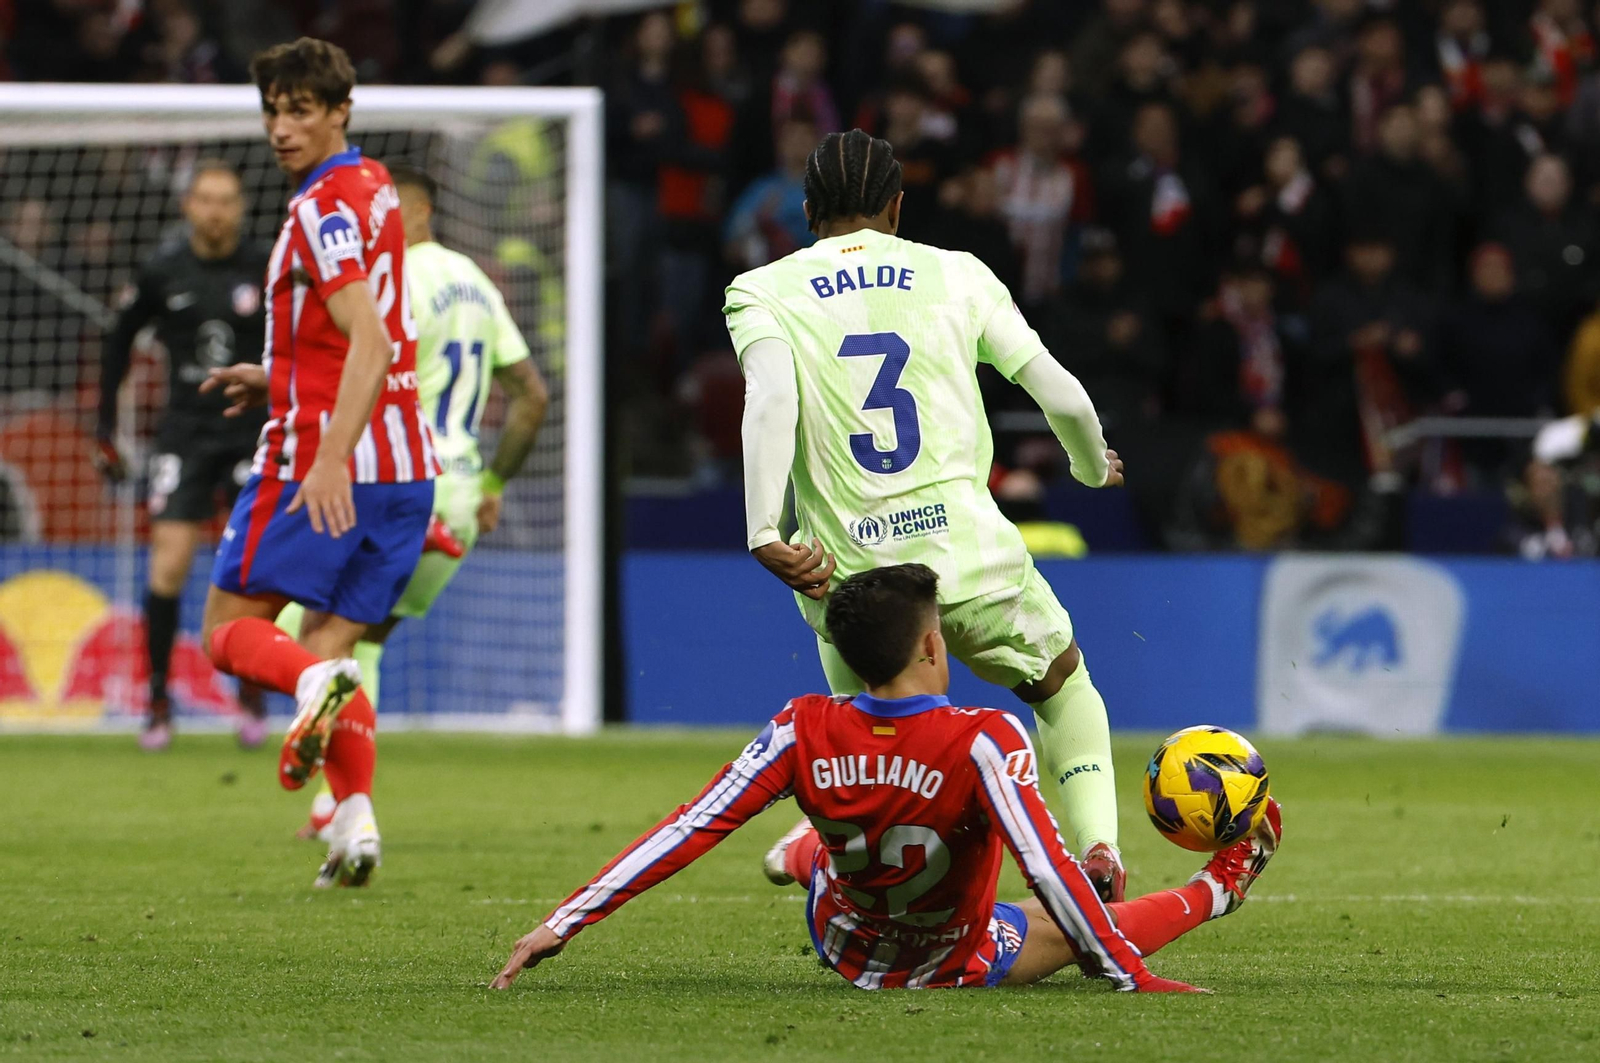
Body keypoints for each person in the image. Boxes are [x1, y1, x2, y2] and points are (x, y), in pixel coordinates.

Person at [491, 565, 1282, 992]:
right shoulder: (983, 738)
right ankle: (1218, 887)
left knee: (853, 839)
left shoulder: (800, 726)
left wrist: (564, 920)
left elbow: (690, 825)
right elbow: (1048, 868)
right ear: (933, 647)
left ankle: (804, 849)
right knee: (1075, 923)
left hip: (842, 938)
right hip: (945, 958)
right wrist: (1130, 975)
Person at [724, 129, 1131, 902]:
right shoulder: (958, 273)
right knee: (1061, 685)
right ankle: (1098, 849)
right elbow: (1060, 391)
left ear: (807, 211)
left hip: (854, 574)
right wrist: (1089, 466)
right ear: (897, 207)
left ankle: (831, 849)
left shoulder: (762, 290)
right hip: (971, 557)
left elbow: (771, 402)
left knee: (868, 724)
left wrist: (763, 530)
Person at [197, 37, 437, 888]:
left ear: (340, 109)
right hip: (406, 466)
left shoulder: (319, 209)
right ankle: (355, 823)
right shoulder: (376, 186)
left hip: (326, 458)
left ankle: (309, 688)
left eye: (300, 110)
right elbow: (360, 335)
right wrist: (276, 374)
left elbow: (368, 337)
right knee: (332, 643)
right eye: (273, 110)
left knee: (227, 629)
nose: (281, 127)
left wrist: (330, 457)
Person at [282, 163, 549, 839]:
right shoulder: (476, 280)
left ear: (421, 208)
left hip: (401, 482)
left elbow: (365, 376)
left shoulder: (394, 280)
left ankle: (339, 792)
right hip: (459, 494)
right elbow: (532, 397)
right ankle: (337, 806)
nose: (371, 224)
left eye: (384, 209)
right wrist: (491, 487)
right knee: (362, 639)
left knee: (297, 631)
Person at [94, 159, 269, 752]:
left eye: (227, 200)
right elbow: (118, 342)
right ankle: (158, 702)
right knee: (168, 564)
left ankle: (251, 693)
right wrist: (104, 427)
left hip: (252, 432)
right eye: (206, 200)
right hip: (185, 433)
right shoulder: (162, 269)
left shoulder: (266, 267)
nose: (216, 212)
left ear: (240, 208)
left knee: (254, 570)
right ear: (188, 206)